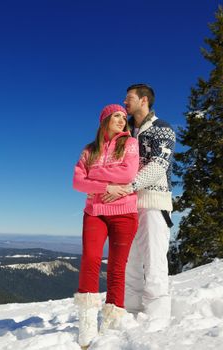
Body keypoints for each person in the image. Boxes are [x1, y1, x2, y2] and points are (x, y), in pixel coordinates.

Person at [102, 84, 175, 329]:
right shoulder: (127, 133)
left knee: (154, 258)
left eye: (129, 98)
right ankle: (131, 309)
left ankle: (157, 317)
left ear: (144, 100)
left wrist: (130, 185)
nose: (124, 102)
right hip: (128, 203)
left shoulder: (162, 129)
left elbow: (158, 165)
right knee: (130, 259)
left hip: (154, 202)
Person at [72, 104, 139, 348]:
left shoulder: (130, 144)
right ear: (105, 120)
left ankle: (110, 322)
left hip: (125, 213)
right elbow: (78, 181)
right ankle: (87, 324)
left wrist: (95, 176)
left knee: (116, 268)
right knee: (90, 259)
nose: (123, 120)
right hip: (95, 212)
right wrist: (106, 187)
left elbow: (128, 173)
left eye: (124, 117)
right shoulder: (89, 150)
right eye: (117, 116)